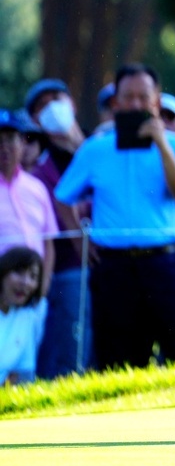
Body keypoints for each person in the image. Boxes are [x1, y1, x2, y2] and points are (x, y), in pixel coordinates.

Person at [54, 63, 175, 370]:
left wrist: (161, 143)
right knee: (116, 361)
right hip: (114, 267)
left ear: (156, 101)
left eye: (143, 97)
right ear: (116, 103)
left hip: (162, 262)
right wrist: (80, 242)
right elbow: (63, 196)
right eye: (128, 97)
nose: (135, 104)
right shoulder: (96, 149)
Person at [24, 79, 92, 378]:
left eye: (56, 98)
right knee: (72, 356)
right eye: (42, 105)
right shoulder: (40, 172)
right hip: (68, 270)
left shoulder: (101, 149)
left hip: (113, 264)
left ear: (72, 103)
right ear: (35, 120)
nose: (51, 107)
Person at [0, 108, 57, 296]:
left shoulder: (37, 188)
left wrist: (44, 284)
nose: (4, 147)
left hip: (32, 293)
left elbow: (48, 243)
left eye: (10, 139)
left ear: (22, 143)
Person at [0, 246, 47, 385]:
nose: (25, 282)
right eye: (19, 272)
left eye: (33, 277)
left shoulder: (28, 318)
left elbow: (22, 374)